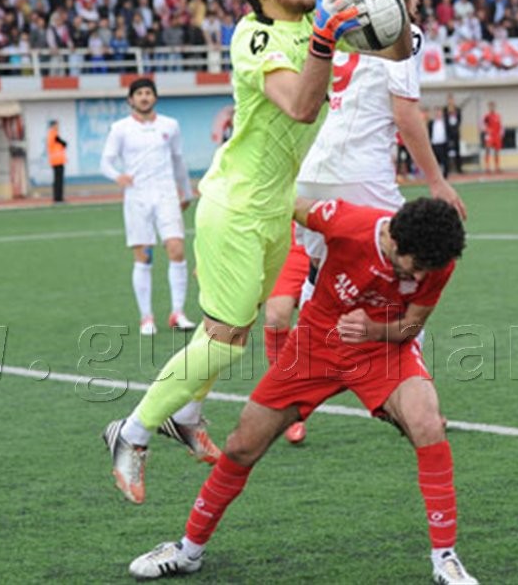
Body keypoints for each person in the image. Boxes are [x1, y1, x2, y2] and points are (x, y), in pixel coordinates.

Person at [101, 0, 417, 504]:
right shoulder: (255, 36)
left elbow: (395, 54)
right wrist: (326, 35)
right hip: (235, 207)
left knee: (234, 329)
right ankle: (131, 431)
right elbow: (301, 105)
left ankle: (186, 414)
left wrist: (391, 7)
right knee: (225, 341)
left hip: (275, 210)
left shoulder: (317, 23)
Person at [126, 196, 479, 585]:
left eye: (431, 269)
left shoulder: (438, 262)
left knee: (428, 424)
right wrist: (220, 255)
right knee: (242, 445)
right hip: (314, 346)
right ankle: (188, 550)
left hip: (382, 349)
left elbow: (412, 326)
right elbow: (276, 206)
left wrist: (374, 329)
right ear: (394, 240)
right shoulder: (345, 221)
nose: (422, 276)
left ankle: (445, 558)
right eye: (417, 266)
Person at [263, 7, 466, 445]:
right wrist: (436, 180)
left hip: (314, 168)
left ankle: (290, 403)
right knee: (411, 269)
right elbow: (405, 114)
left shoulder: (338, 32)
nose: (419, 0)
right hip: (362, 174)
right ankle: (411, 400)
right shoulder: (401, 33)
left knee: (323, 278)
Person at [100, 77, 196, 336]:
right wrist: (118, 176)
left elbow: (178, 160)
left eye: (148, 93)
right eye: (139, 93)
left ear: (155, 97)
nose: (144, 97)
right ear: (131, 99)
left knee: (176, 249)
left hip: (166, 193)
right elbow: (106, 162)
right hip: (138, 196)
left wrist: (186, 191)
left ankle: (178, 313)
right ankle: (146, 317)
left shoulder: (170, 126)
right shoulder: (120, 128)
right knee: (143, 255)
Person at [46, 119, 67, 203]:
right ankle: (58, 198)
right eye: (56, 125)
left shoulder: (52, 134)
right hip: (57, 161)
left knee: (58, 180)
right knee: (58, 180)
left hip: (57, 160)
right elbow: (63, 143)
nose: (58, 126)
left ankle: (58, 197)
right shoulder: (53, 133)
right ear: (53, 125)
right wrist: (64, 144)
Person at [482, 100, 503, 173]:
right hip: (490, 136)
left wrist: (501, 134)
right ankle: (487, 167)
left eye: (493, 106)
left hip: (497, 136)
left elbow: (500, 126)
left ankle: (497, 167)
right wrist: (487, 132)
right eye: (490, 106)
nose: (492, 108)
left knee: (496, 152)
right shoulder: (486, 116)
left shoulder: (498, 116)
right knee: (487, 150)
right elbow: (483, 125)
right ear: (488, 107)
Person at [444, 93, 464, 174]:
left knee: (457, 151)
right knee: (447, 151)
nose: (450, 101)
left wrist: (455, 128)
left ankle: (459, 168)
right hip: (448, 133)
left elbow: (459, 120)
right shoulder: (445, 110)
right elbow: (445, 121)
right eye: (449, 100)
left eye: (451, 100)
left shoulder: (457, 109)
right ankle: (448, 168)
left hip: (455, 132)